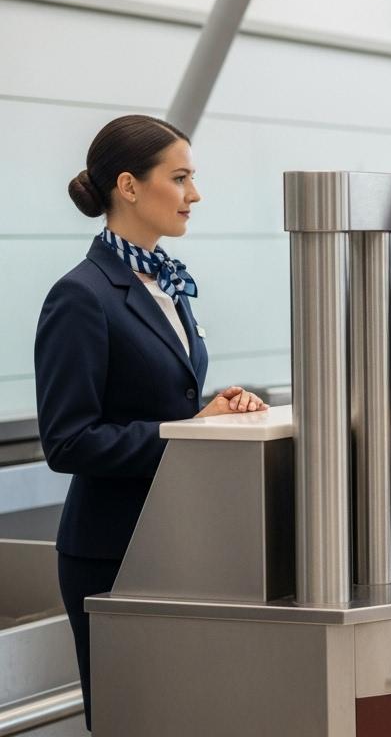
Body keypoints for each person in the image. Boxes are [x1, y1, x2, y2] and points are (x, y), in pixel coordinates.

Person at [35, 115, 266, 730]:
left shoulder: (169, 286)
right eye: (181, 178)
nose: (195, 194)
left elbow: (163, 405)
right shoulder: (81, 295)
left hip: (177, 540)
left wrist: (217, 411)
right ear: (130, 187)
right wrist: (188, 431)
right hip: (114, 553)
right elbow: (67, 440)